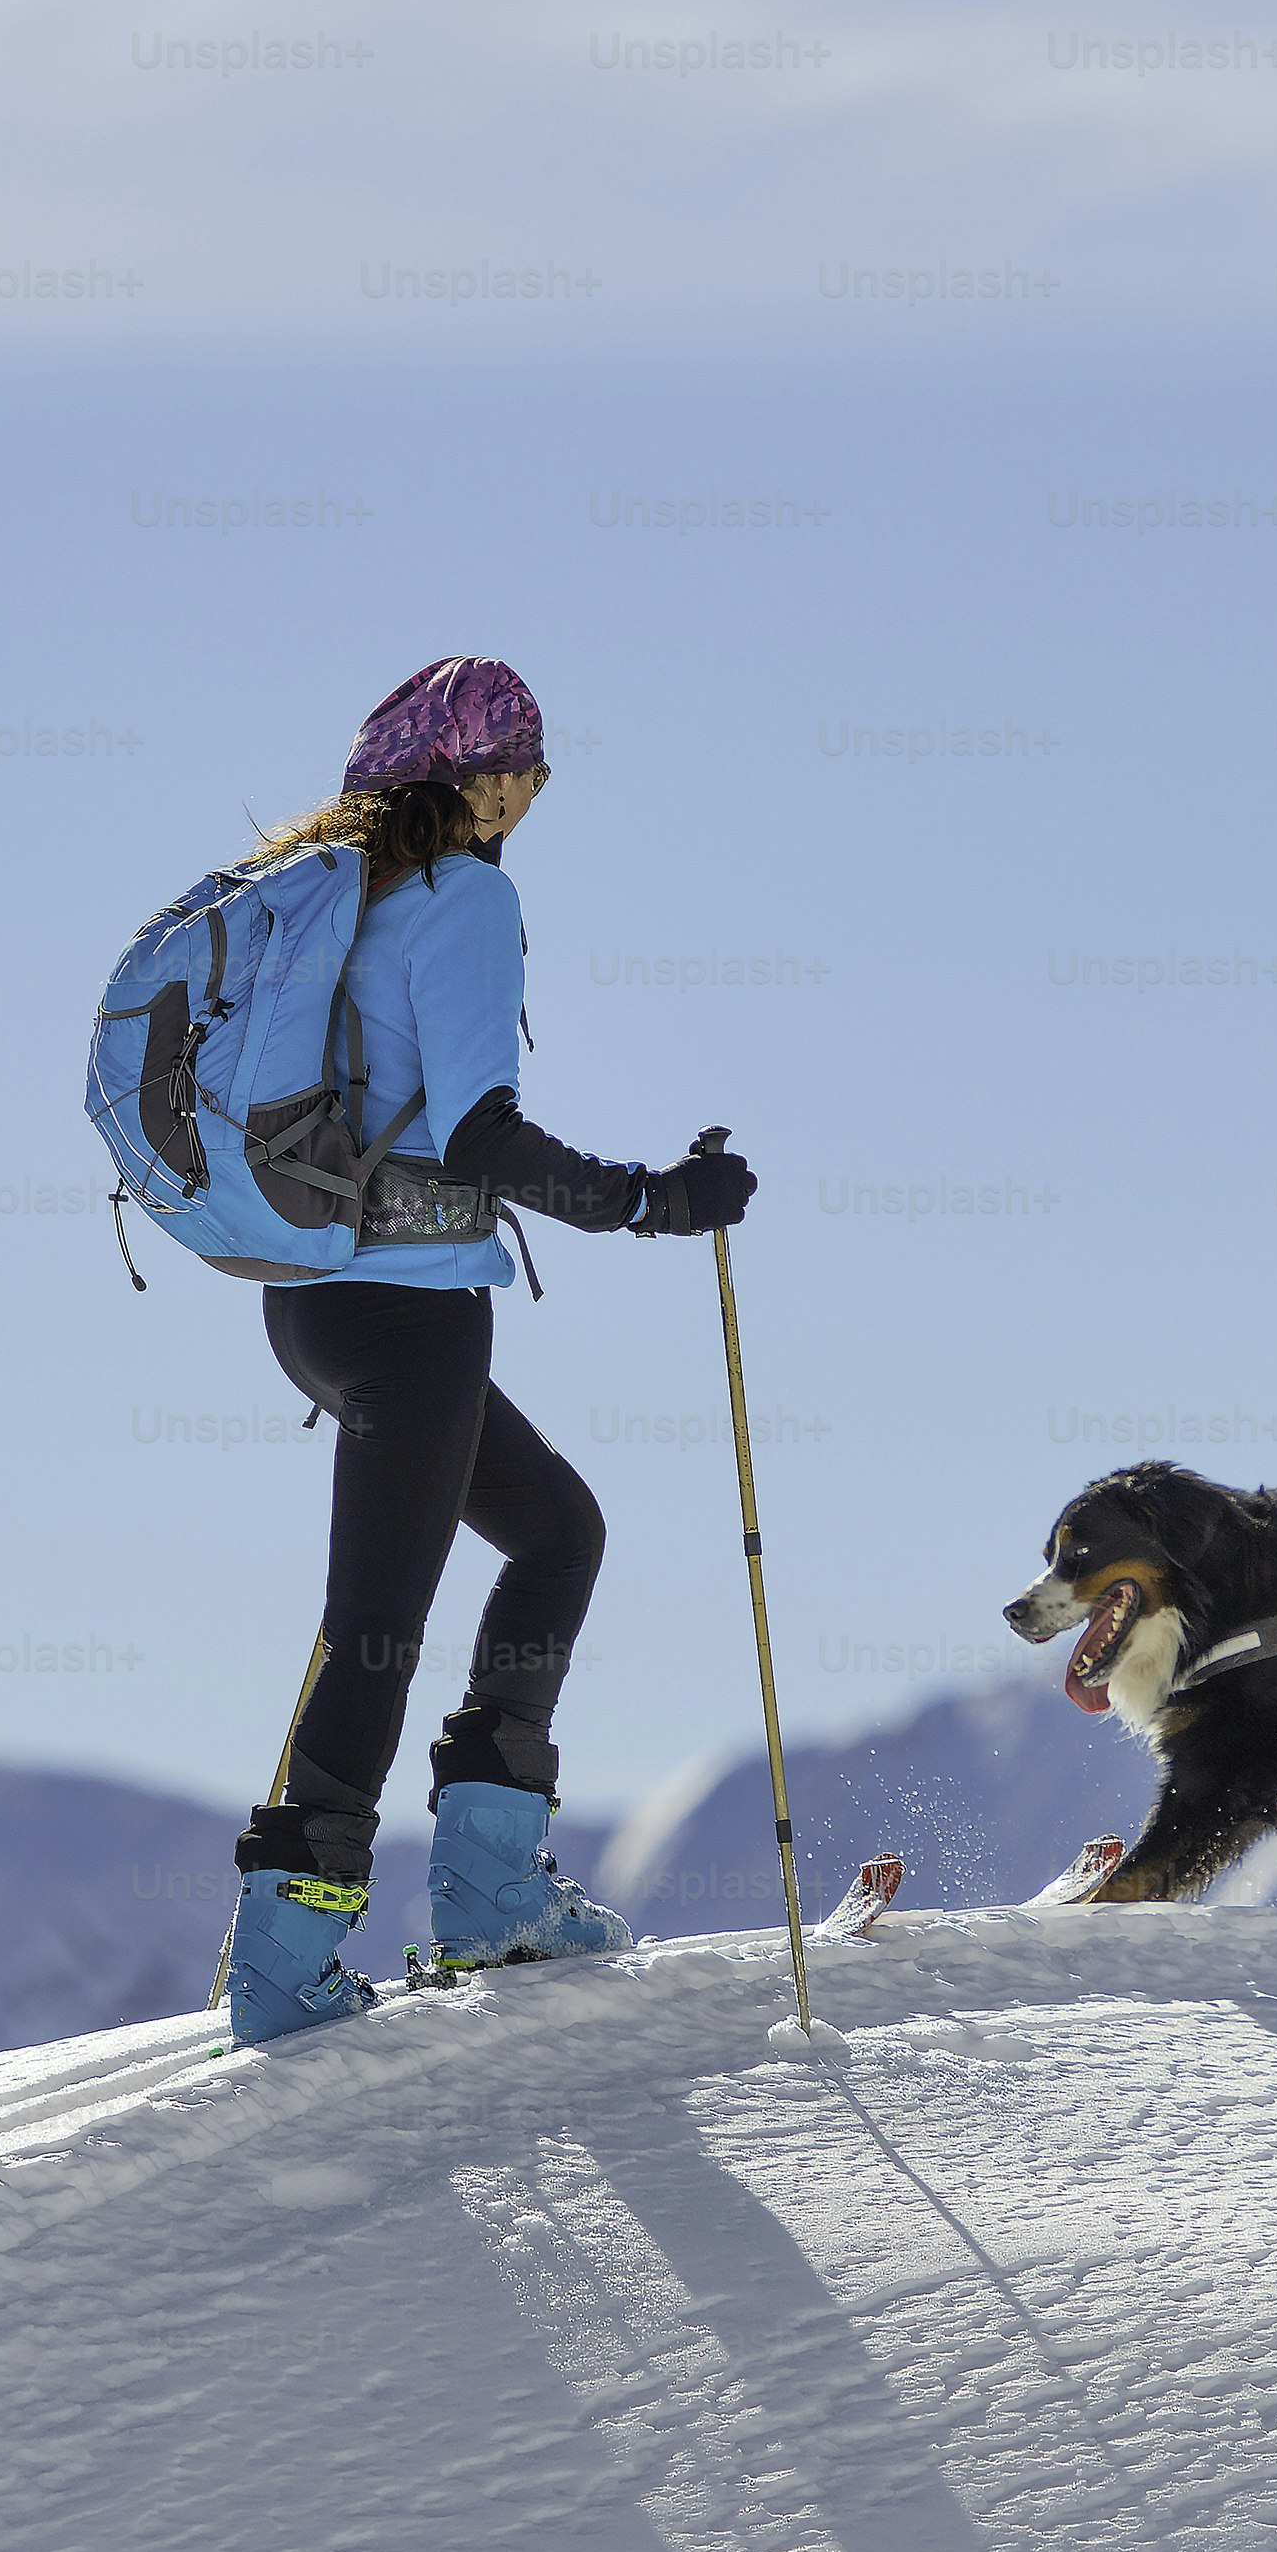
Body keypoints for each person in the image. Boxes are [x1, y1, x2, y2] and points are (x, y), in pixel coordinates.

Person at [215, 657, 758, 2046]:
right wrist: (650, 1200)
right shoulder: (465, 897)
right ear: (445, 782)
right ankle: (288, 1964)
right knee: (379, 1623)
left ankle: (489, 1893)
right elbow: (475, 1133)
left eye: (530, 765)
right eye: (500, 764)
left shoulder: (348, 898)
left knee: (555, 1531)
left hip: (313, 1299)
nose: (518, 791)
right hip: (407, 1308)